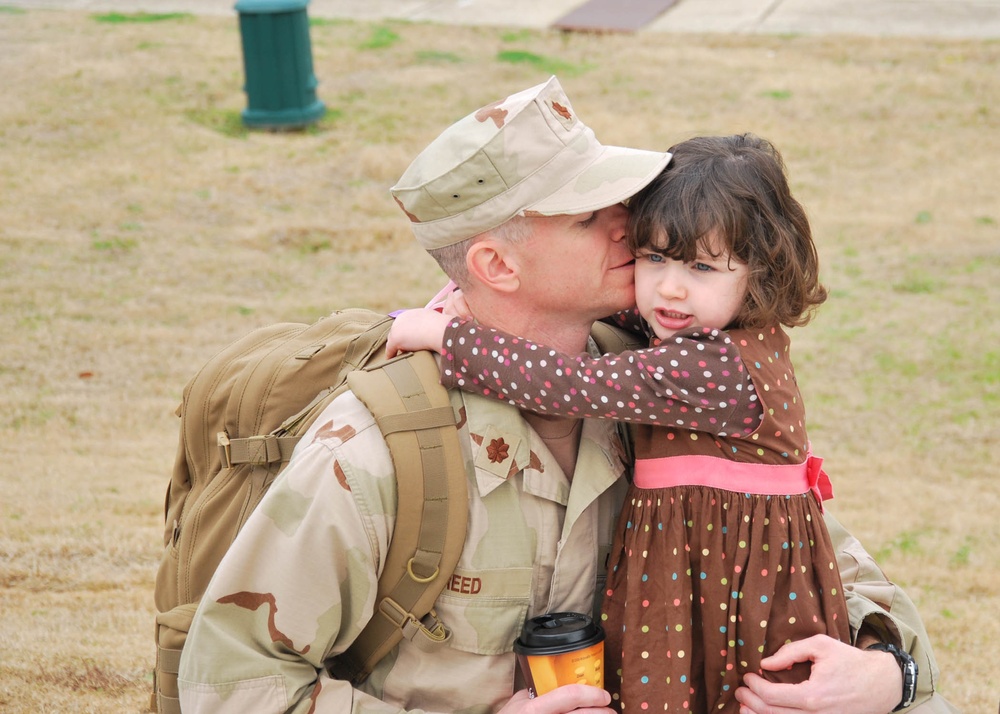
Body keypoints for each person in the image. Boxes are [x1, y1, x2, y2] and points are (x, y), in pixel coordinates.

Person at [178, 79, 951, 714]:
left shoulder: (658, 377)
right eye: (592, 215)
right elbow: (231, 684)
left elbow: (813, 556)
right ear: (496, 264)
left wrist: (890, 676)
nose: (634, 224)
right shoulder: (376, 450)